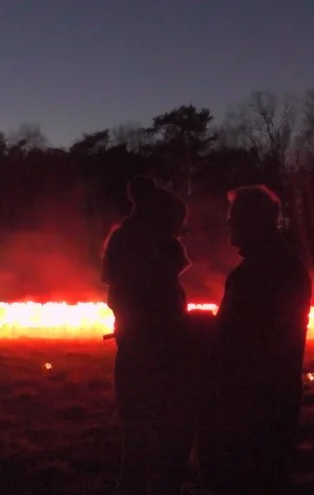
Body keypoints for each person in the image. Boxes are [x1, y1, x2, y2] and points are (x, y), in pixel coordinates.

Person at [198, 185, 313, 494]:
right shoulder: (284, 266)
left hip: (251, 401)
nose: (228, 223)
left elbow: (240, 337)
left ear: (253, 221)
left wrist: (201, 332)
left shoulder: (257, 273)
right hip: (274, 395)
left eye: (233, 217)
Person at [102, 175, 195, 495]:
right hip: (160, 357)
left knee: (136, 436)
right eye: (178, 227)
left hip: (132, 350)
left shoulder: (123, 242)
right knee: (164, 438)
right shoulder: (156, 255)